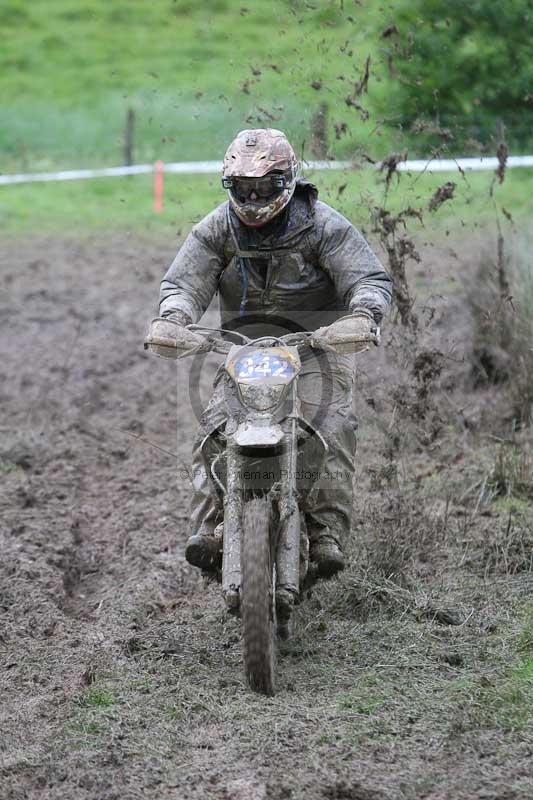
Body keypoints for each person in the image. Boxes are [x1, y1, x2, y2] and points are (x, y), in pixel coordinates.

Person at [145, 128, 392, 578]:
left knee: (332, 425)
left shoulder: (323, 225)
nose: (254, 197)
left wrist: (364, 312)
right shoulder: (217, 227)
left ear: (289, 181)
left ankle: (325, 532)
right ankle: (210, 525)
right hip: (243, 348)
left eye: (264, 187)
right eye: (243, 188)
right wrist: (175, 316)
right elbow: (184, 282)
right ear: (230, 185)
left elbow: (368, 278)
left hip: (317, 344)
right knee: (213, 427)